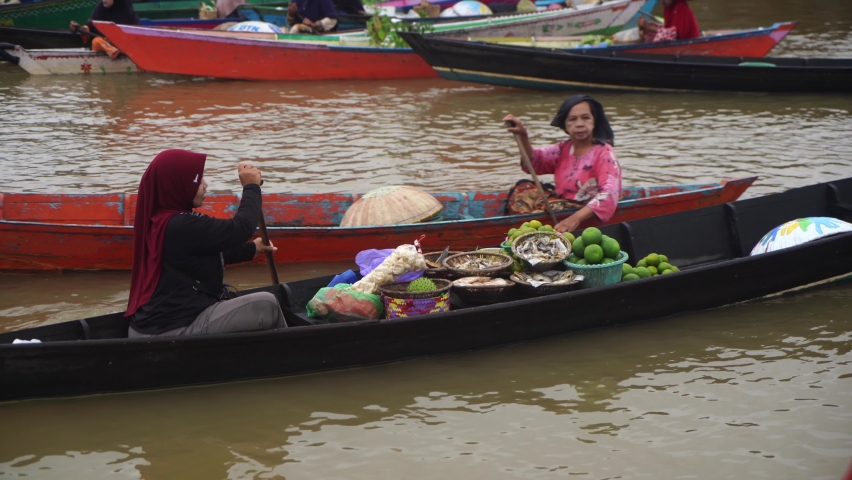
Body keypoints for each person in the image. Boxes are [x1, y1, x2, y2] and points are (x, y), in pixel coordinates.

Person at [125, 149, 287, 338]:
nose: (205, 184)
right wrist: (251, 187)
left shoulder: (160, 220)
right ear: (178, 184)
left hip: (152, 328)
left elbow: (202, 254)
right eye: (198, 179)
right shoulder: (181, 224)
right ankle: (296, 356)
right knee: (268, 304)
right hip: (170, 332)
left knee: (228, 289)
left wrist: (252, 249)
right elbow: (241, 228)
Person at [503, 95, 621, 234]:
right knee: (523, 187)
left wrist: (575, 219)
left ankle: (531, 230)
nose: (579, 124)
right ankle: (521, 229)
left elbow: (610, 193)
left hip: (584, 207)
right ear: (565, 124)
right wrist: (523, 135)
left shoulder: (604, 152)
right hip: (560, 200)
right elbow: (534, 162)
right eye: (572, 119)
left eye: (586, 117)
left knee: (543, 208)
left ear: (594, 121)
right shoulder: (563, 148)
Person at [69, 0, 139, 60]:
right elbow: (90, 27)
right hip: (106, 45)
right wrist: (78, 28)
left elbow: (136, 31)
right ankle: (113, 52)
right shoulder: (100, 8)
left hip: (123, 45)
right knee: (96, 41)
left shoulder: (127, 9)